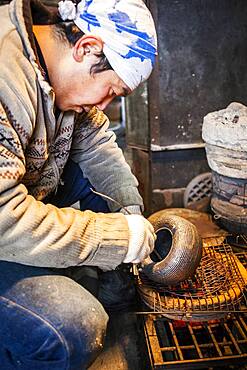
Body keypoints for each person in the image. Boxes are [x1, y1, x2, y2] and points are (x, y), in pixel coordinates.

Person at [0, 0, 157, 368]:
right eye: (112, 91)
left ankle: (118, 291)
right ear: (87, 48)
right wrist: (116, 238)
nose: (106, 104)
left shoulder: (61, 78)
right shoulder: (5, 80)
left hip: (21, 192)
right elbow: (4, 218)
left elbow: (98, 144)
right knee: (72, 327)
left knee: (105, 190)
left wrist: (129, 214)